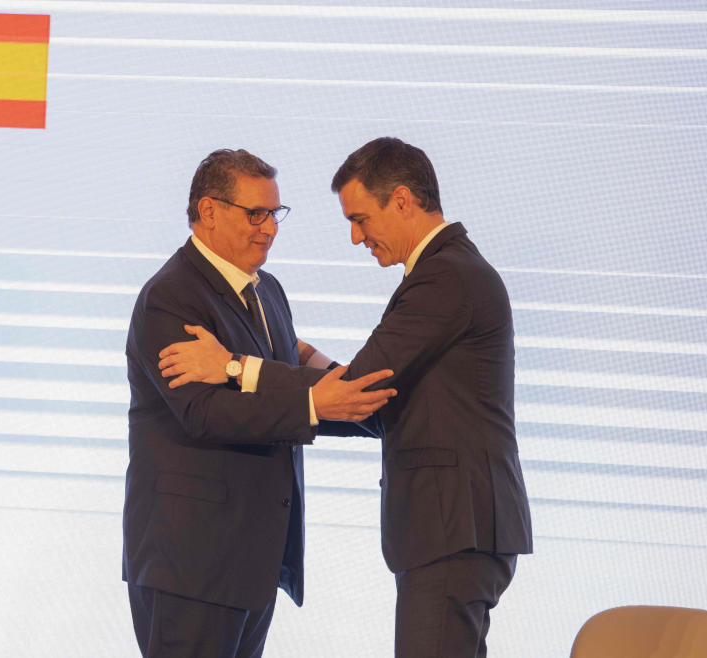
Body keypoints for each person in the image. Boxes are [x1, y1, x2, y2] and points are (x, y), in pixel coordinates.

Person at [157, 137, 533, 657]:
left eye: (361, 219)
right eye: (256, 213)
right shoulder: (449, 270)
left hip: (455, 528)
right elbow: (371, 402)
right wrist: (312, 366)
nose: (357, 237)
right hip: (453, 531)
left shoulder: (446, 275)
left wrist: (231, 366)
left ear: (401, 200)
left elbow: (361, 387)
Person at [123, 147, 396, 657]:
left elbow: (279, 382)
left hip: (252, 562)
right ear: (208, 212)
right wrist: (319, 404)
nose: (269, 228)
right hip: (192, 566)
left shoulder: (268, 291)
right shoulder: (171, 297)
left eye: (275, 214)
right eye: (256, 214)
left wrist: (358, 402)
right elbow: (204, 413)